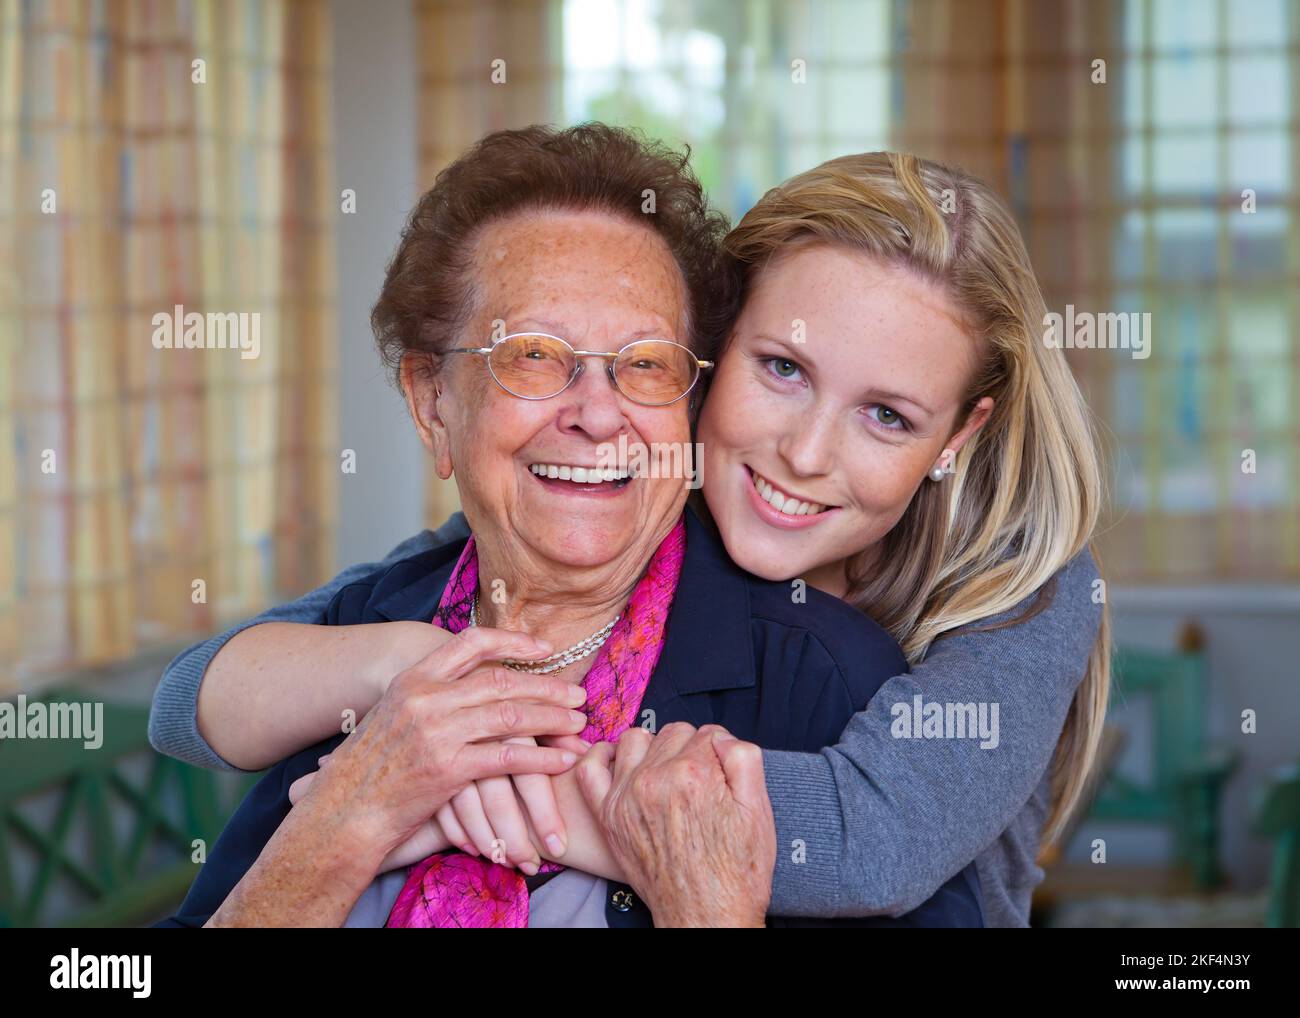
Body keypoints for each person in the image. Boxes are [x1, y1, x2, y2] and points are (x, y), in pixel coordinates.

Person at [152, 131, 1108, 928]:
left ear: (959, 435)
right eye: (781, 370)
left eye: (640, 364)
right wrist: (394, 701)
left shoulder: (1012, 595)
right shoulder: (409, 627)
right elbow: (194, 694)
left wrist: (477, 786)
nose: (806, 453)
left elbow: (878, 841)